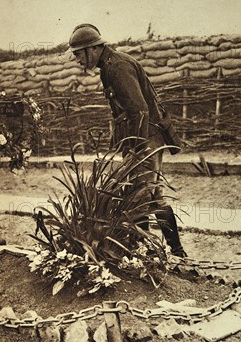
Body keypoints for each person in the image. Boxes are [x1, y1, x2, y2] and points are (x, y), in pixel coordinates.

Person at [68, 23, 187, 257]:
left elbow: (140, 110)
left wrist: (136, 148)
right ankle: (157, 251)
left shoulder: (117, 67)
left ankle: (155, 251)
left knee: (139, 197)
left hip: (145, 140)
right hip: (144, 139)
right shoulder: (109, 66)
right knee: (148, 196)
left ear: (92, 49)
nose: (78, 61)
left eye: (78, 55)